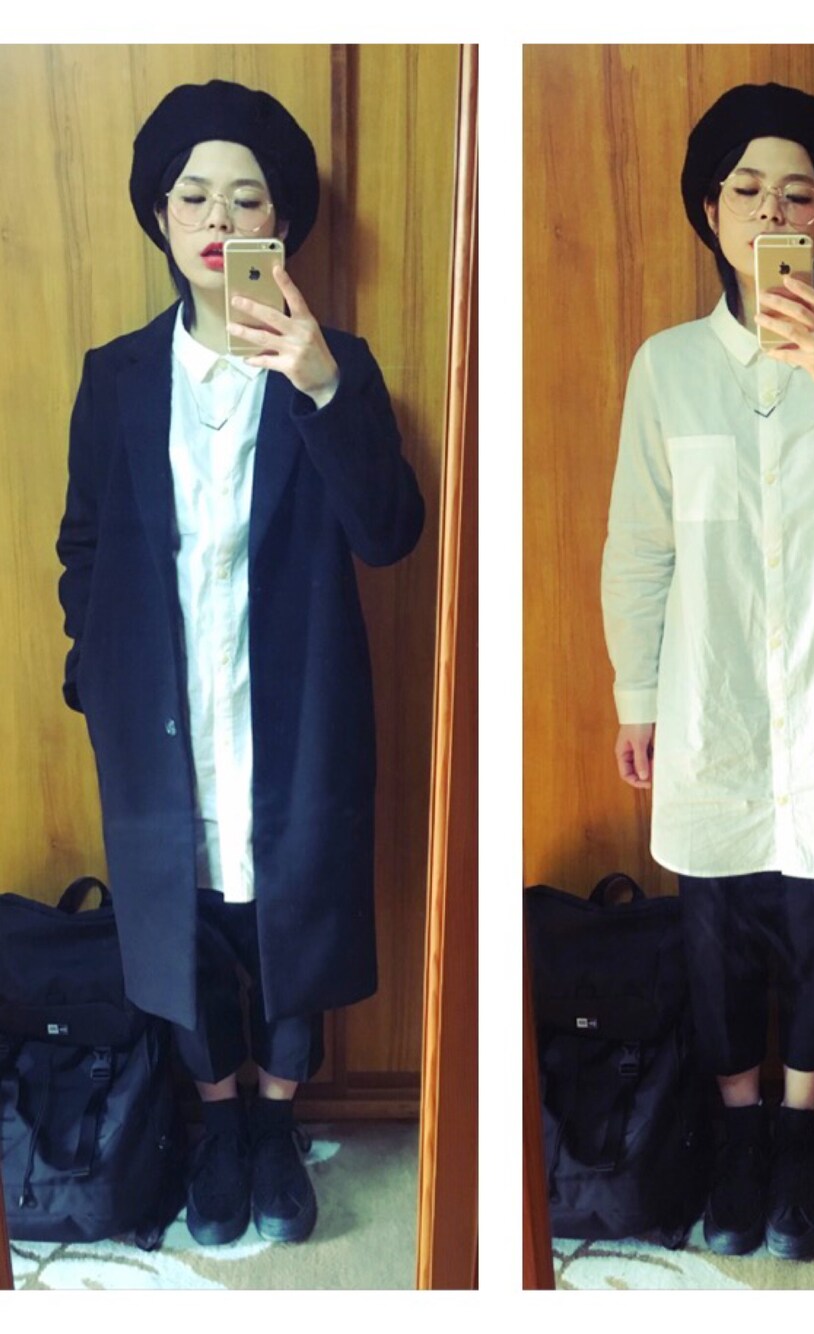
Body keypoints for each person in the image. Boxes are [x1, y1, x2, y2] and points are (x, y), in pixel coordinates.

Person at [56, 80, 424, 1247]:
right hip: (158, 715)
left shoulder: (336, 364)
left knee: (290, 913)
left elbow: (389, 531)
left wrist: (319, 382)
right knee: (184, 918)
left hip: (293, 710)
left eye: (246, 197)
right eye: (194, 195)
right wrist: (91, 670)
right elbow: (83, 541)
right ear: (159, 216)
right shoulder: (116, 375)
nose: (219, 217)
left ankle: (275, 1116)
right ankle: (217, 1117)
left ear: (282, 223)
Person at [601, 82, 814, 1262]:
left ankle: (796, 1129)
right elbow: (639, 544)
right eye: (747, 190)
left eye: (797, 196)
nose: (771, 212)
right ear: (711, 210)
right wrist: (638, 693)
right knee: (718, 926)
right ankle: (738, 1127)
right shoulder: (667, 366)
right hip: (715, 702)